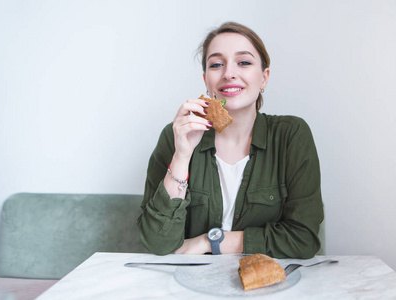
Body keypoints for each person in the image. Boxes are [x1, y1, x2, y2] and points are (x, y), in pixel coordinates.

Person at [137, 22, 323, 258]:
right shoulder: (175, 135)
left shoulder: (292, 135)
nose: (228, 73)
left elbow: (303, 239)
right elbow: (158, 243)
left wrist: (210, 241)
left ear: (264, 77)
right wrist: (182, 155)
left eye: (244, 62)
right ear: (206, 80)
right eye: (216, 64)